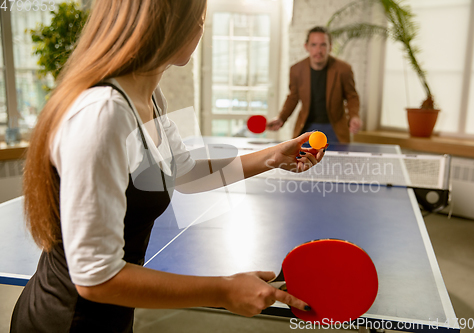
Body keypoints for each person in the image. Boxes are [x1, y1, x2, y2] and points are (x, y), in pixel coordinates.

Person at [10, 1, 326, 332]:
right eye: (200, 19)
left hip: (111, 316)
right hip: (66, 320)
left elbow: (184, 172)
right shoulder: (103, 113)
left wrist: (272, 157)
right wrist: (224, 290)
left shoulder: (149, 96)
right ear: (172, 26)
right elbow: (96, 278)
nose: (201, 29)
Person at [267, 26, 362, 143]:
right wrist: (281, 118)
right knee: (302, 160)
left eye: (323, 45)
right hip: (307, 127)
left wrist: (354, 116)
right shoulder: (296, 70)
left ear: (330, 47)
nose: (318, 50)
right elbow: (293, 97)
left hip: (334, 128)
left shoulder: (343, 69)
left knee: (337, 160)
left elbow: (352, 96)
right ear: (306, 46)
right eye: (314, 45)